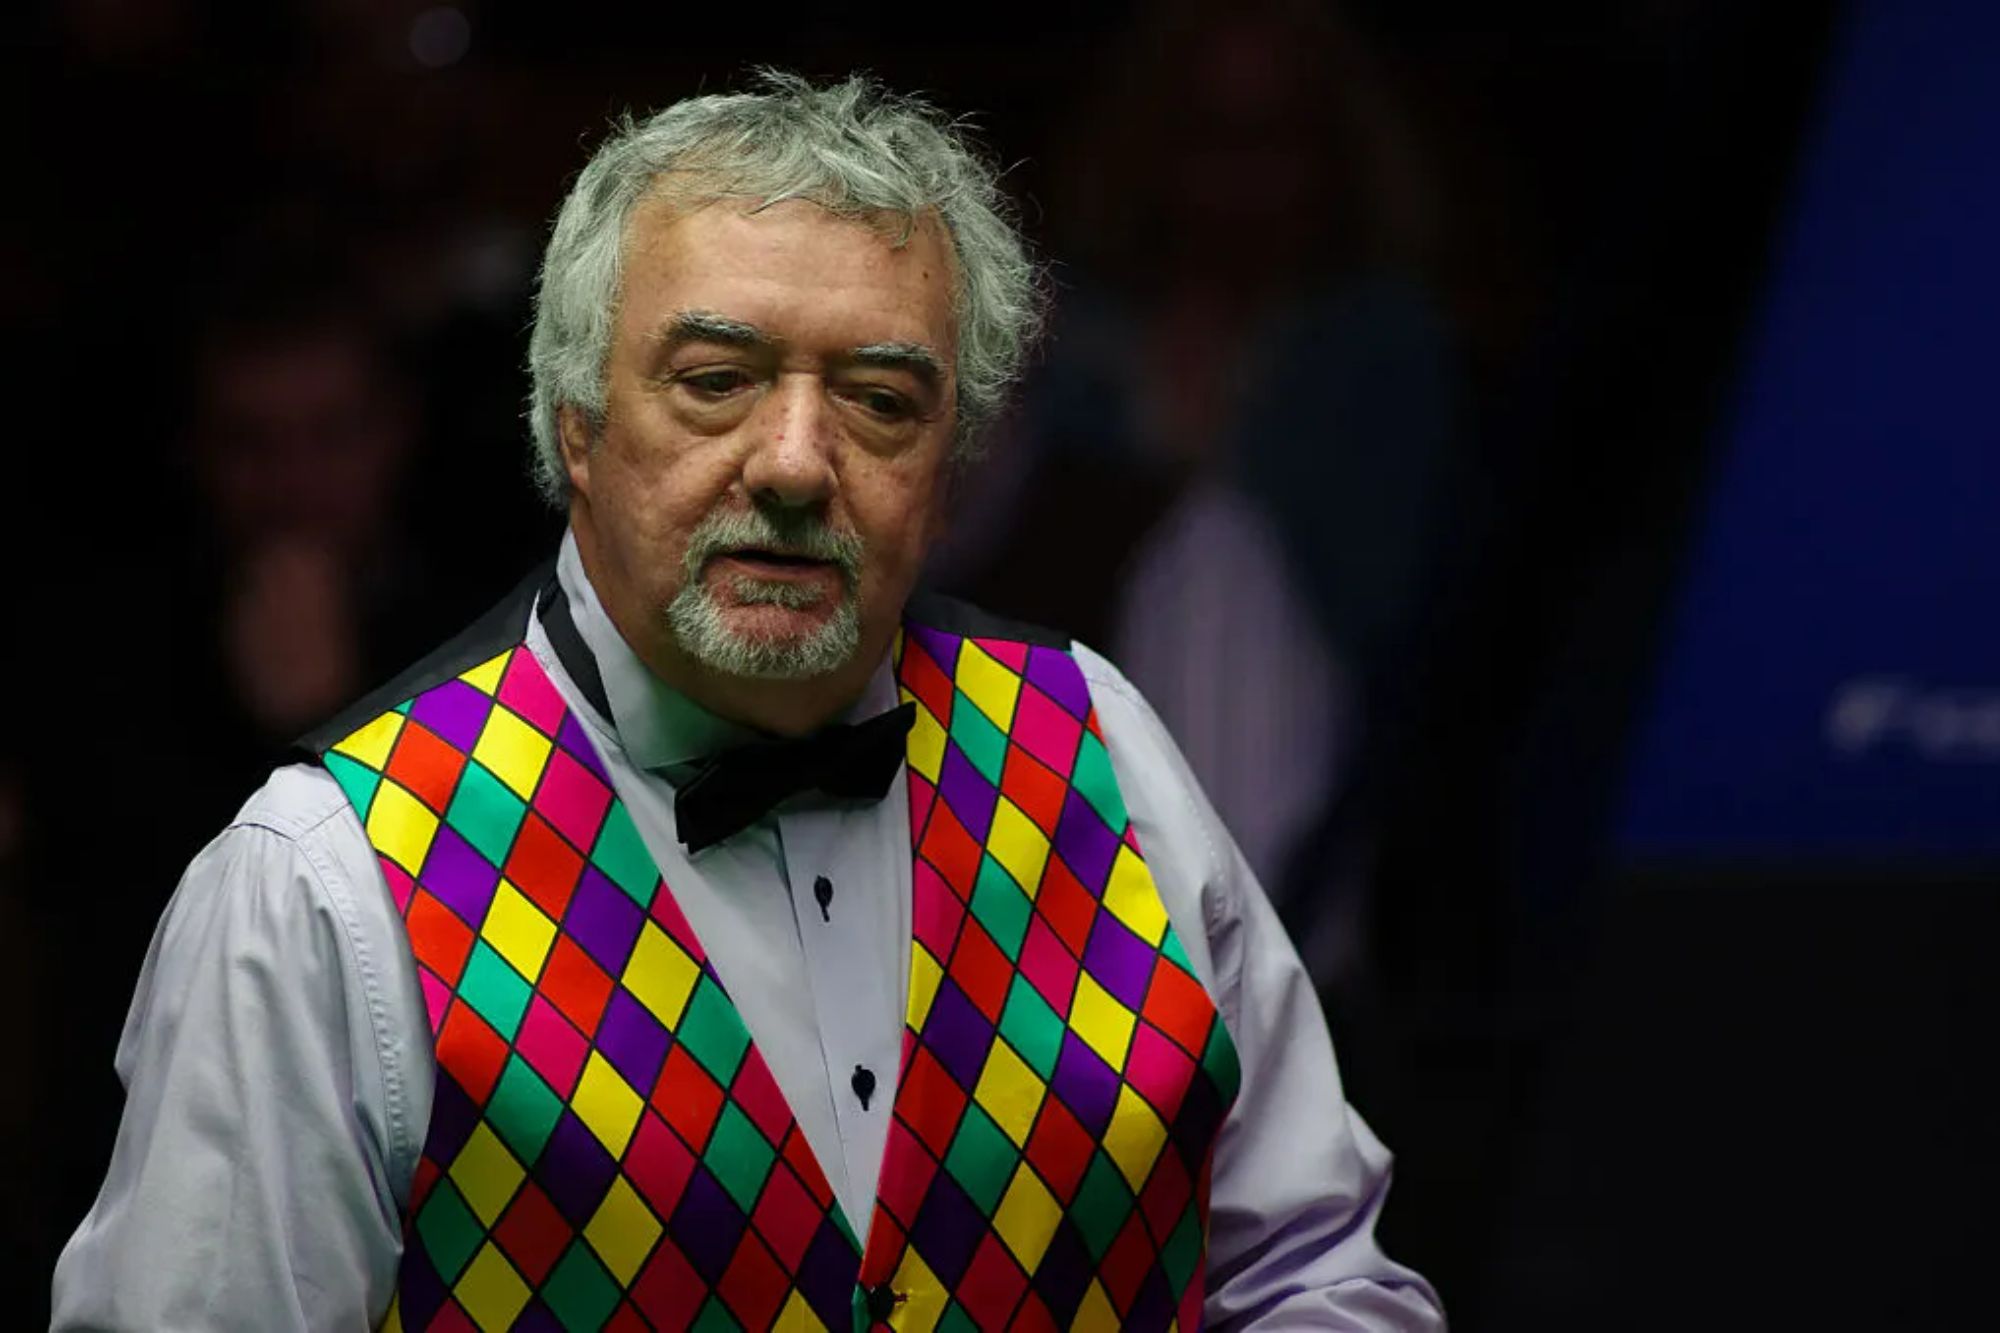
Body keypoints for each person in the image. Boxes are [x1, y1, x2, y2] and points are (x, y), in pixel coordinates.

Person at [51, 72, 1444, 1331]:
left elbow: (1317, 1274)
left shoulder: (1107, 749)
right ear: (575, 426)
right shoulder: (323, 884)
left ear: (949, 464)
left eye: (881, 399)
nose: (793, 461)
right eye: (715, 383)